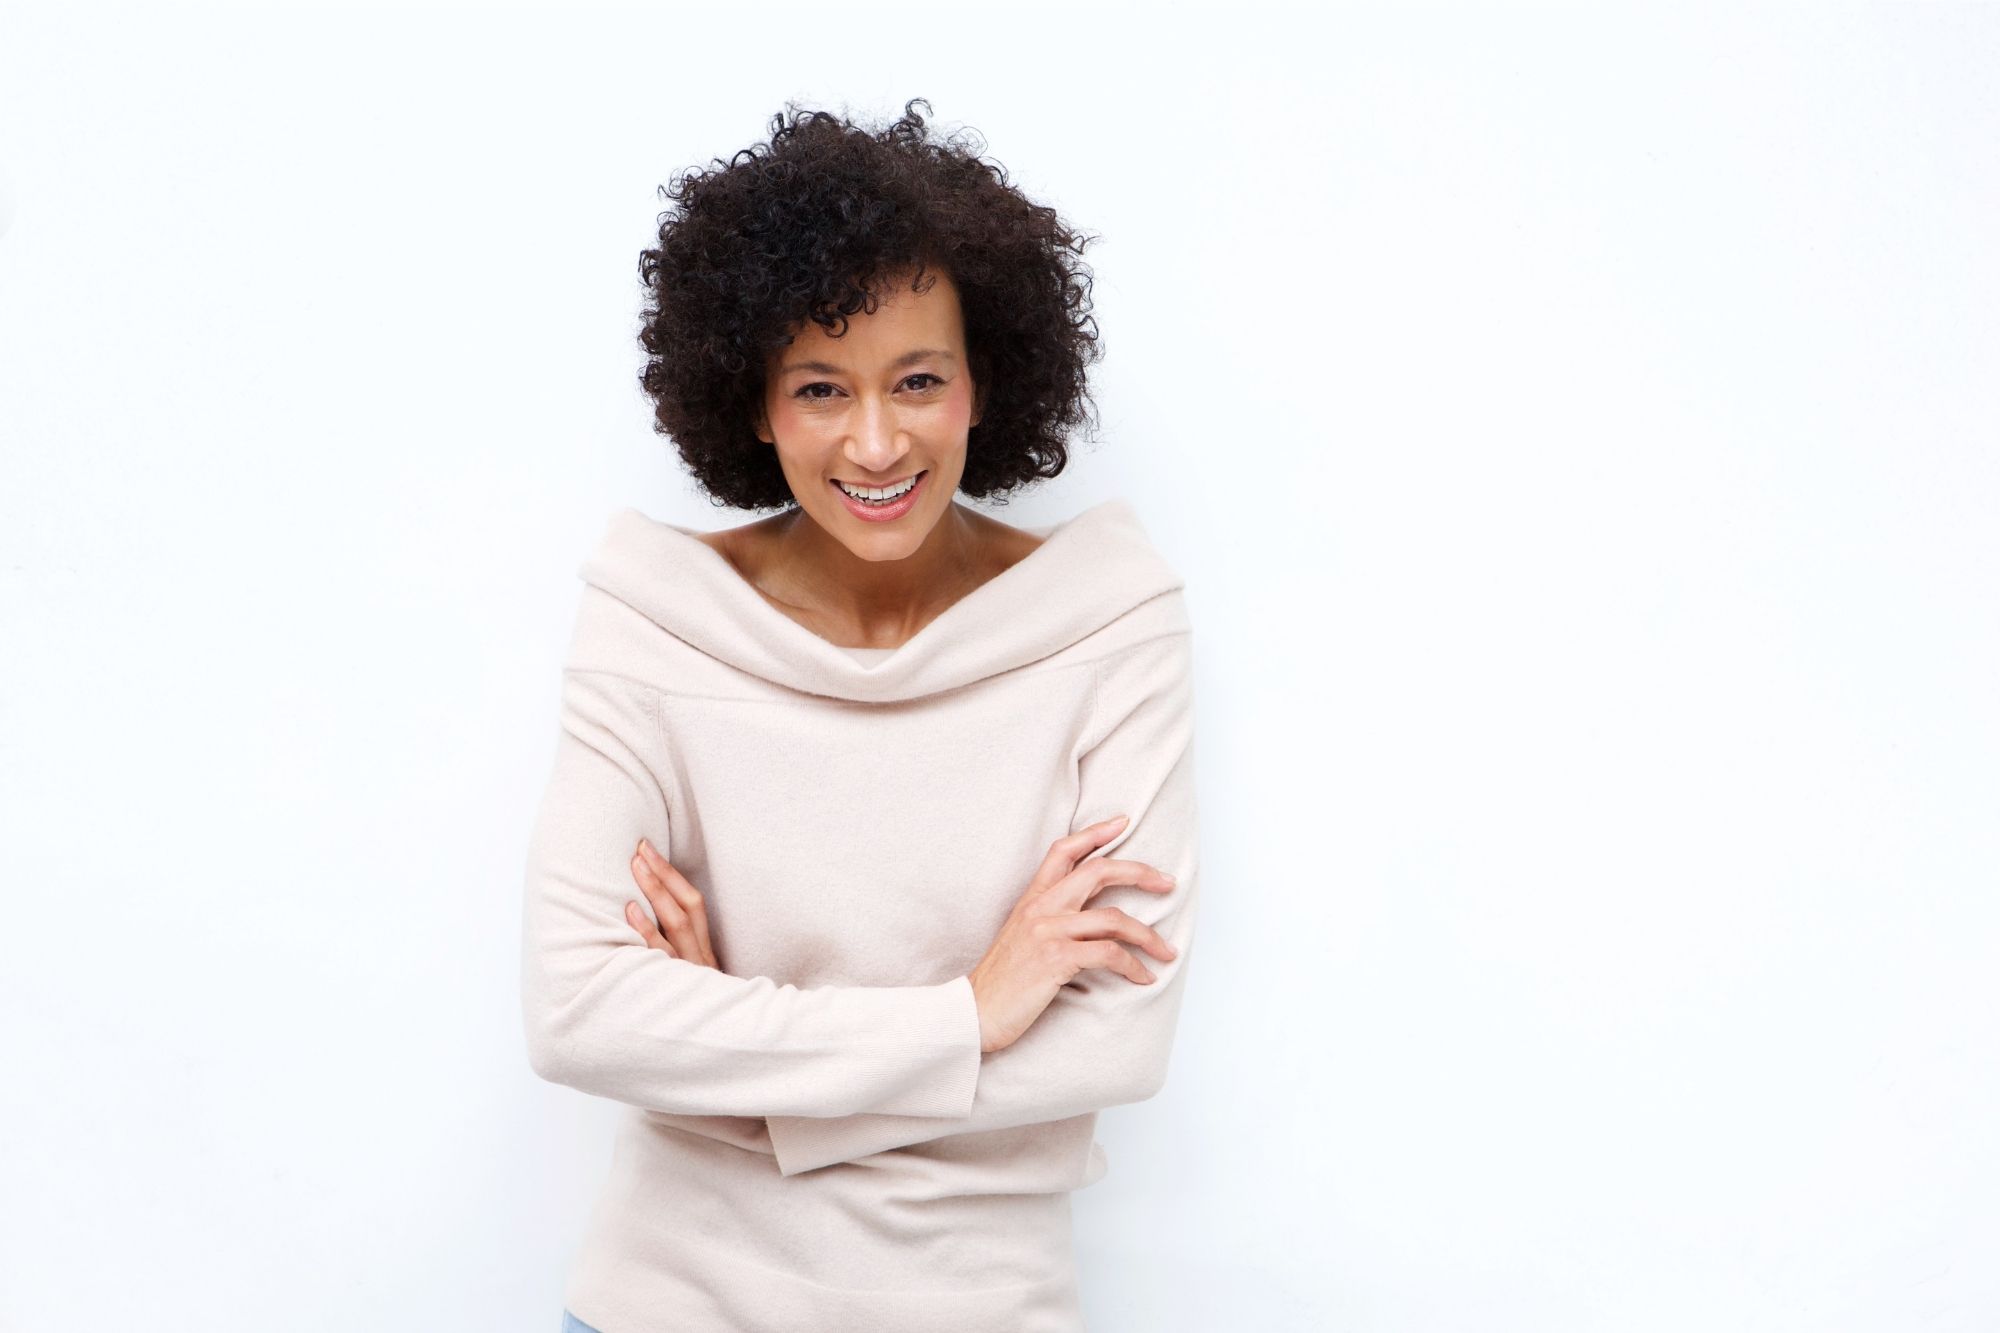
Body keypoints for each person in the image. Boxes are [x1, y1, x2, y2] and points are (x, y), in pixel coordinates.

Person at [520, 97, 1202, 1333]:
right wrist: (973, 1012)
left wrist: (724, 1068)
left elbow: (1116, 1046)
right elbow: (577, 1010)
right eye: (821, 386)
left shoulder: (1107, 619)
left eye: (919, 380)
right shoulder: (654, 614)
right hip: (670, 1304)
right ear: (754, 401)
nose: (876, 441)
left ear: (982, 382)